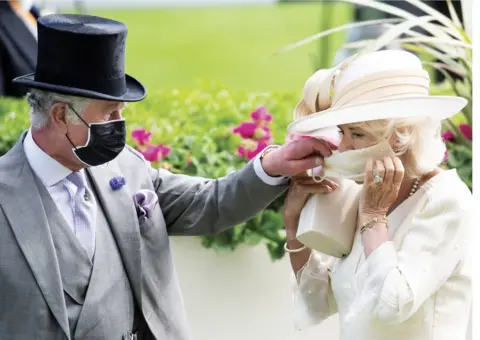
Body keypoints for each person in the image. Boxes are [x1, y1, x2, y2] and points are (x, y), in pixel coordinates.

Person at [0, 14, 336, 340]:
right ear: (60, 115)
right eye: (110, 113)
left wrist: (273, 164)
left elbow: (211, 203)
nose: (120, 123)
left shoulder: (126, 168)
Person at [283, 49, 472, 340]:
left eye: (356, 134)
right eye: (342, 132)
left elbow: (393, 304)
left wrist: (373, 217)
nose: (342, 147)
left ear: (400, 136)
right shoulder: (369, 191)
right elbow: (319, 300)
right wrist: (293, 220)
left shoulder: (446, 201)